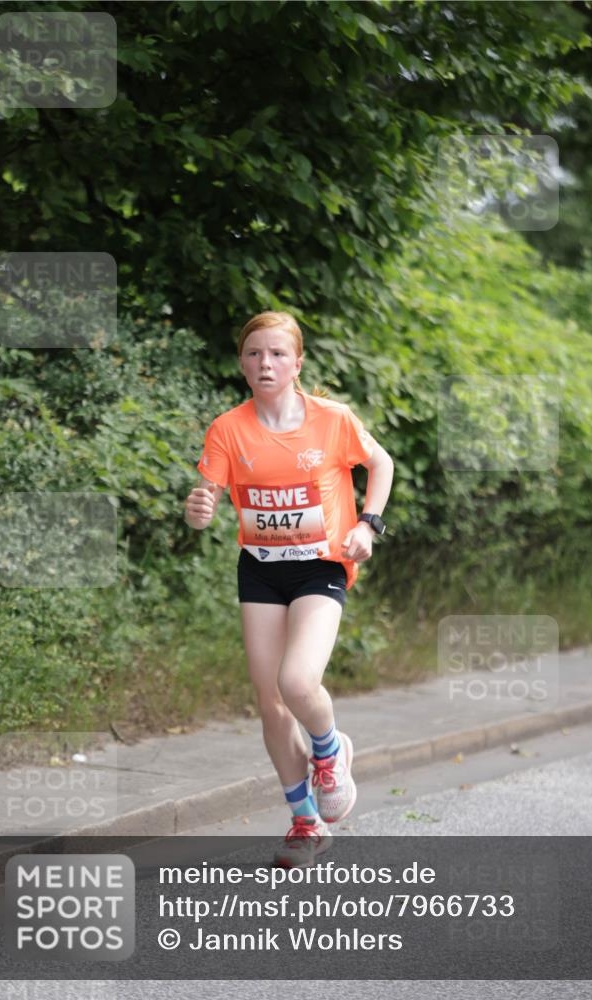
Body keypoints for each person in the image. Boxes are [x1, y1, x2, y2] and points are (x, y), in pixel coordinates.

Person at [184, 311, 394, 867]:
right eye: (254, 354)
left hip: (321, 566)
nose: (265, 363)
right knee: (271, 704)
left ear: (297, 363)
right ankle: (306, 821)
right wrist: (198, 508)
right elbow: (205, 506)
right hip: (259, 569)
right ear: (242, 365)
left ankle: (330, 749)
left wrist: (366, 524)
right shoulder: (228, 428)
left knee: (298, 681)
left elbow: (381, 463)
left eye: (277, 353)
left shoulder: (331, 420)